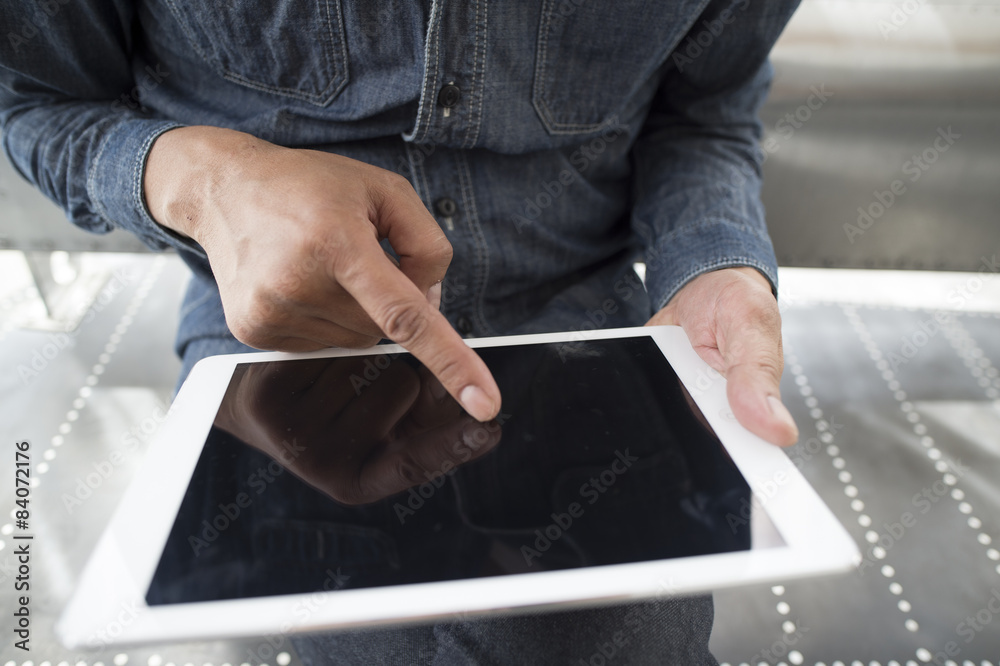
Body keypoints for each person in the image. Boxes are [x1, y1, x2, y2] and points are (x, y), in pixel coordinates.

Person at [1, 0, 801, 662]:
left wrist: (711, 262)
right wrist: (203, 183)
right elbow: (36, 105)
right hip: (280, 341)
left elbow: (704, 115)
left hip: (593, 321)